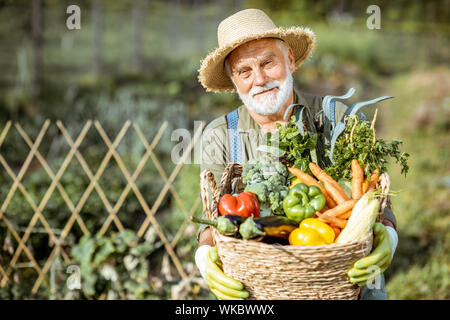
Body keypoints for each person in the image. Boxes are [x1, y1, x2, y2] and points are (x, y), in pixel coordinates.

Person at [194, 8, 398, 300]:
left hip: (342, 281)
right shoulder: (220, 135)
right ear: (233, 81)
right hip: (258, 289)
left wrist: (388, 236)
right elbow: (211, 218)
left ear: (289, 59)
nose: (260, 79)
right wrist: (205, 258)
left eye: (268, 62)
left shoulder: (337, 117)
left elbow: (378, 201)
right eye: (245, 71)